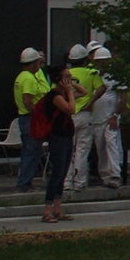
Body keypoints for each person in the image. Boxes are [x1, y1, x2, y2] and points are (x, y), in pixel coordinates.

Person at [36, 69, 81, 222]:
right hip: (58, 137)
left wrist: (71, 85)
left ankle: (58, 208)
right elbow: (71, 109)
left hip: (67, 136)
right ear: (58, 80)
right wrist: (68, 92)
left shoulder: (64, 94)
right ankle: (47, 210)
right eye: (67, 77)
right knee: (57, 173)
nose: (70, 79)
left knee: (62, 173)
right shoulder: (54, 96)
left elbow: (84, 92)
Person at [66, 44, 107, 192]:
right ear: (84, 60)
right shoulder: (91, 73)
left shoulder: (65, 74)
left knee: (68, 150)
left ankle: (66, 181)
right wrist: (90, 101)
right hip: (85, 114)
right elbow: (102, 87)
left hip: (68, 115)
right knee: (82, 150)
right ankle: (80, 181)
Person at [12, 46, 49, 191]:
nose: (39, 66)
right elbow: (28, 100)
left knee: (29, 151)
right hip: (31, 119)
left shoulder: (21, 77)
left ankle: (25, 182)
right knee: (32, 152)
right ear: (33, 63)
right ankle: (24, 184)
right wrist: (38, 114)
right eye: (38, 63)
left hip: (24, 118)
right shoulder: (29, 78)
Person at [87, 46, 123, 189]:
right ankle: (105, 176)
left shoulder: (115, 76)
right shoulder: (93, 75)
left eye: (104, 61)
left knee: (111, 143)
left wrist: (115, 115)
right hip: (96, 118)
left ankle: (115, 174)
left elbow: (123, 98)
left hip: (110, 117)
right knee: (100, 146)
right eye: (99, 61)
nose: (101, 64)